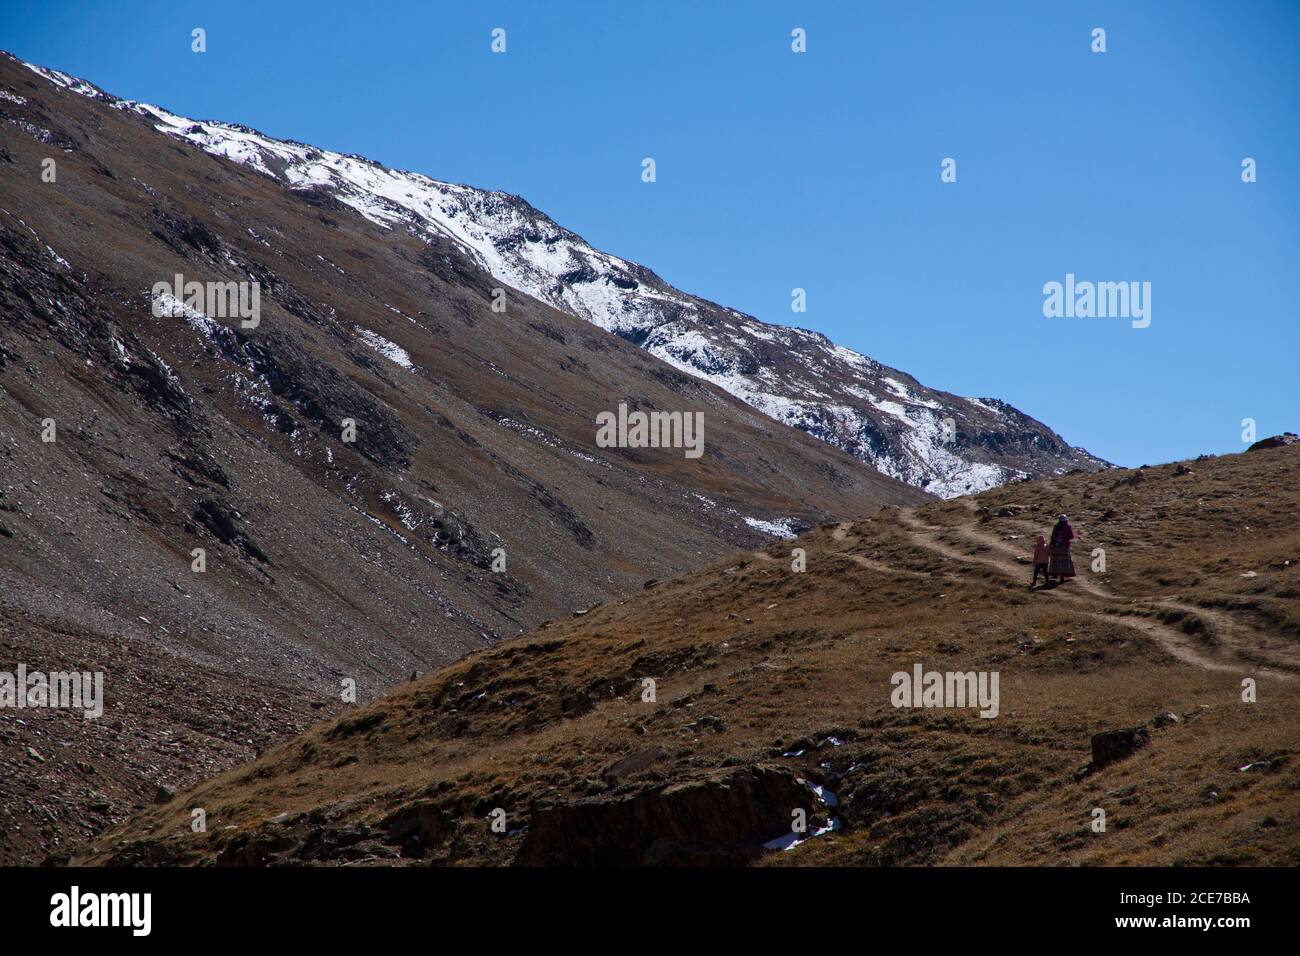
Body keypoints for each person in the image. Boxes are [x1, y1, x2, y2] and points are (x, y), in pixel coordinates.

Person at [1047, 514, 1076, 582]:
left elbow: (1053, 536)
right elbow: (1071, 536)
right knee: (1064, 561)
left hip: (1056, 546)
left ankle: (1055, 574)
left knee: (1055, 560)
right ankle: (1062, 577)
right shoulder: (1068, 527)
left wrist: (1051, 545)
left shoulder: (1056, 527)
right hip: (1064, 546)